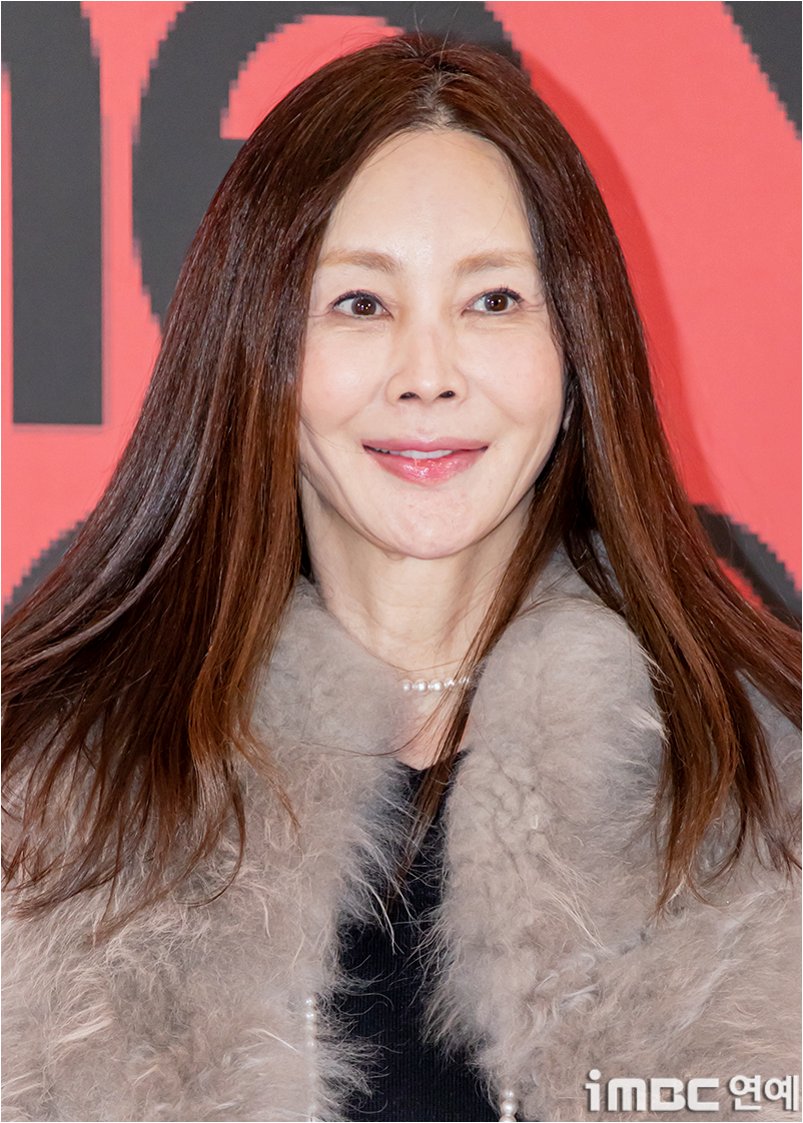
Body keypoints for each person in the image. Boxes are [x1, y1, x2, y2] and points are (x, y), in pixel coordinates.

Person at [2, 33, 799, 1123]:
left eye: (493, 301)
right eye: (361, 305)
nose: (428, 375)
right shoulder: (49, 808)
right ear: (256, 350)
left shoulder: (761, 797)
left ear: (577, 353)